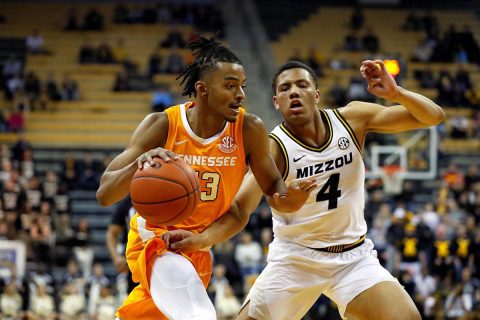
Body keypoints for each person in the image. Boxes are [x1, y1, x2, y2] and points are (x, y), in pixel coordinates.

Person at [165, 59, 445, 320]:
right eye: (285, 89)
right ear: (276, 102)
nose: (294, 92)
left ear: (316, 94)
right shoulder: (274, 147)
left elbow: (433, 116)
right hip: (295, 259)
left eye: (302, 85)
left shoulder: (353, 118)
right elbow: (239, 209)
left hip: (353, 257)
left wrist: (396, 93)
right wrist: (201, 239)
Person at [96, 35, 314, 320]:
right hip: (157, 242)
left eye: (242, 87)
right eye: (230, 86)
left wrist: (291, 199)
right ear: (202, 90)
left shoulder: (249, 129)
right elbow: (104, 195)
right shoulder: (161, 124)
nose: (241, 95)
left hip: (199, 247)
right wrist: (137, 166)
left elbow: (268, 197)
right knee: (198, 315)